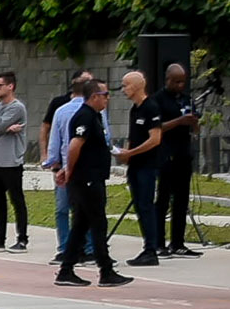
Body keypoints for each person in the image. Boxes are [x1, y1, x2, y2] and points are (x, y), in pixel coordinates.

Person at [56, 76, 132, 288]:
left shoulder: (95, 116)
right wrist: (69, 170)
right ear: (94, 96)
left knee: (81, 225)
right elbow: (74, 145)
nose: (108, 98)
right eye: (105, 94)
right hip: (87, 179)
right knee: (98, 223)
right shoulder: (85, 116)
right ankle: (105, 270)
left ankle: (66, 270)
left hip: (93, 177)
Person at [43, 71, 95, 269]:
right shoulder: (94, 110)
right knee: (87, 208)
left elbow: (55, 140)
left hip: (66, 166)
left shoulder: (61, 111)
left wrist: (53, 163)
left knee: (63, 209)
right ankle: (88, 248)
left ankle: (66, 247)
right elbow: (105, 137)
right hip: (87, 167)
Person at [115, 69, 167, 265]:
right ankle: (147, 246)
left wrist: (132, 153)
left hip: (147, 165)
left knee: (146, 205)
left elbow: (155, 139)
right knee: (139, 205)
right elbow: (133, 136)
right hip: (135, 165)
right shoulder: (134, 110)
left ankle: (151, 249)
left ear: (137, 86)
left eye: (126, 85)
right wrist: (125, 155)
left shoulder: (151, 107)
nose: (123, 89)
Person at [152, 62, 201, 256]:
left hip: (183, 153)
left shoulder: (186, 99)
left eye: (183, 82)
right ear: (168, 80)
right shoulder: (158, 100)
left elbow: (195, 128)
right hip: (166, 154)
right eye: (177, 82)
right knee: (163, 199)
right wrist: (179, 121)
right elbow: (157, 127)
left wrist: (194, 123)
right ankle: (159, 243)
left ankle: (178, 242)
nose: (181, 86)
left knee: (182, 200)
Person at [0, 71, 30, 250]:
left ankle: (22, 238)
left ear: (10, 86)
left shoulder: (17, 107)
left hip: (11, 162)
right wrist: (3, 128)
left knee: (17, 200)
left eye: (0, 85)